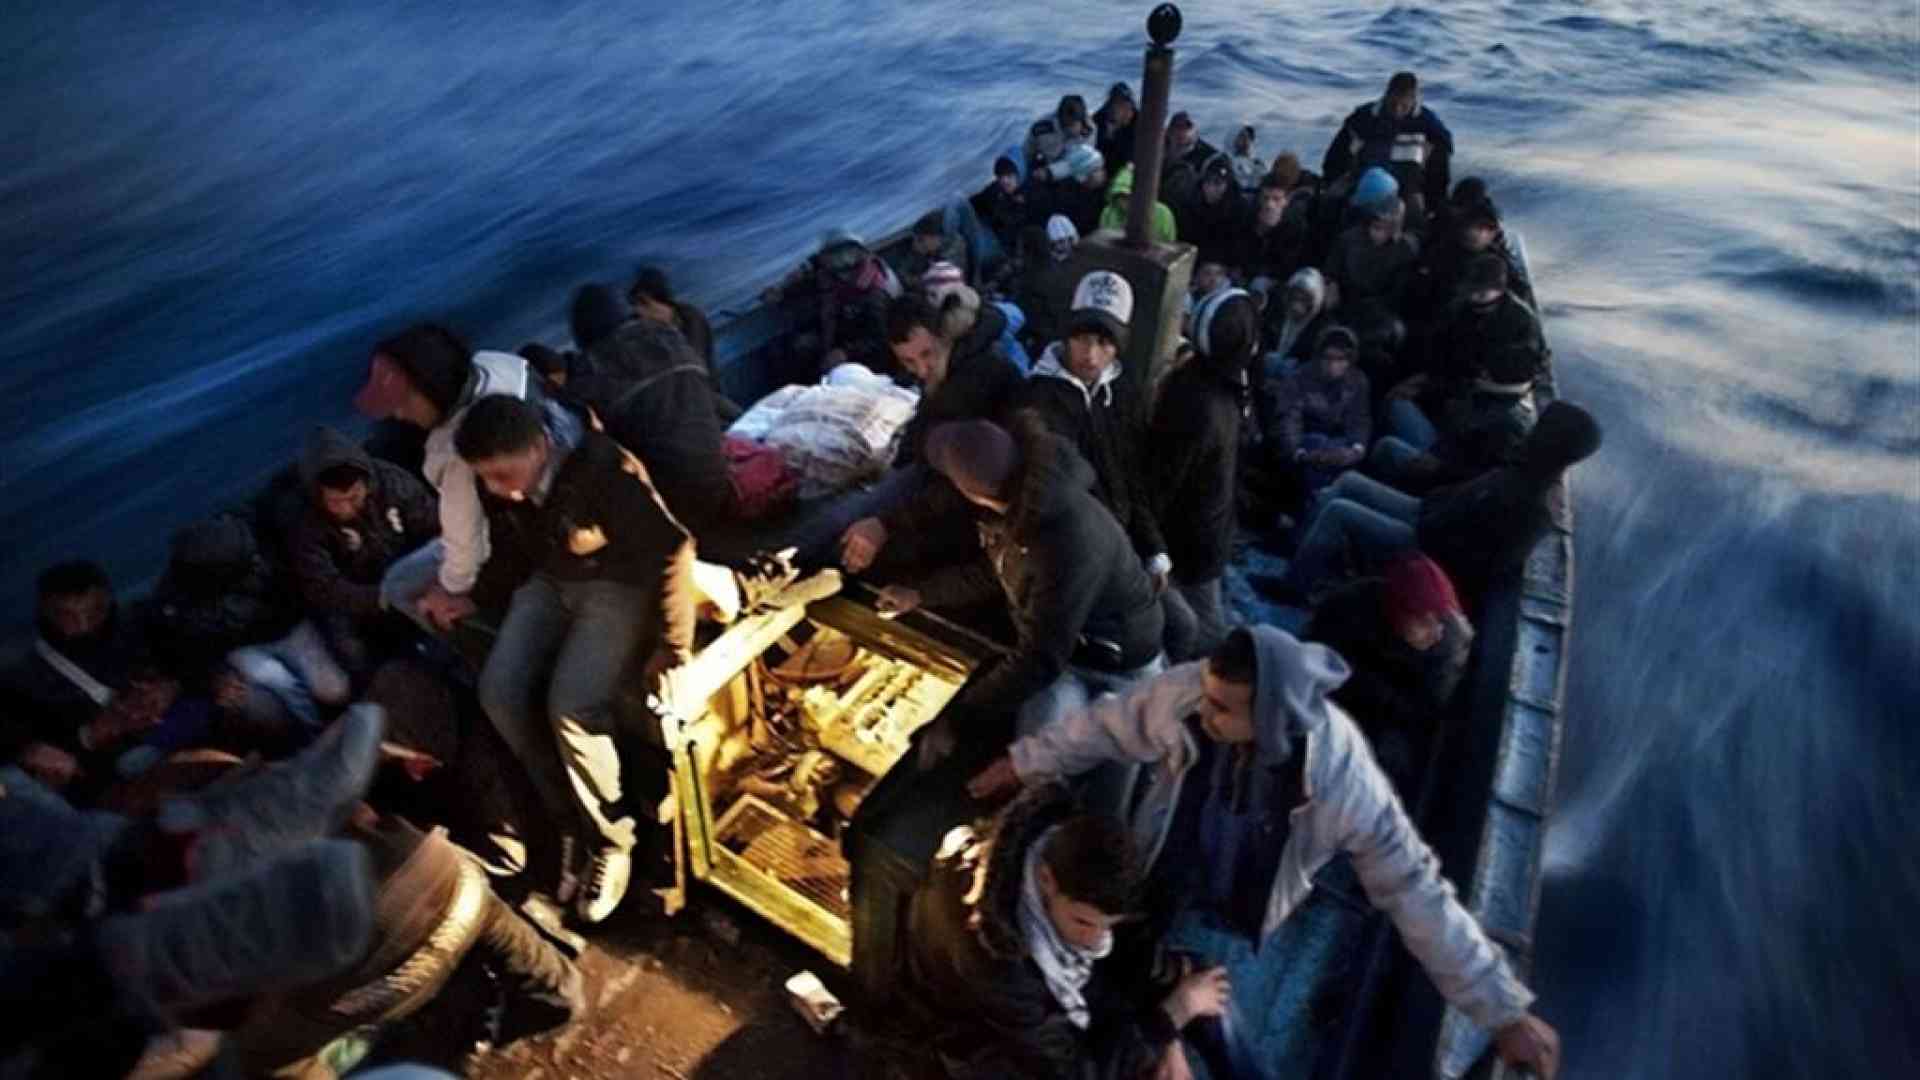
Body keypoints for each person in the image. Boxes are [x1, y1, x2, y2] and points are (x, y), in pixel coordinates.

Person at [968, 626, 1563, 1080]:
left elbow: (1414, 889)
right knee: (1144, 979)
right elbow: (1108, 725)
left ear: (1272, 716)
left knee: (1214, 1008)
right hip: (1164, 871)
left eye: (1222, 709)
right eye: (1206, 699)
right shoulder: (1194, 692)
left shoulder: (1344, 780)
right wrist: (1023, 762)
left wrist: (1501, 1010)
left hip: (1241, 900)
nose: (1203, 712)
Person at [455, 394, 697, 923]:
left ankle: (612, 840)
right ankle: (568, 821)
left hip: (616, 588)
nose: (497, 490)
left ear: (540, 445)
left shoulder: (608, 471)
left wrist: (673, 643)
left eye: (504, 475)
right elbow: (512, 547)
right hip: (551, 583)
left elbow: (674, 548)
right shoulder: (505, 483)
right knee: (498, 691)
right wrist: (474, 596)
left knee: (572, 706)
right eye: (486, 478)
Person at [873, 416, 1164, 747]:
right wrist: (919, 594)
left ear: (971, 493)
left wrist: (955, 716)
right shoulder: (1021, 507)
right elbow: (999, 571)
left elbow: (1039, 658)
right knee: (1039, 750)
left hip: (1118, 661)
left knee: (1111, 757)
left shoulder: (1062, 542)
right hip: (1067, 648)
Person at [904, 786, 1218, 1080]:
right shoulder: (996, 962)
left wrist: (1169, 1032)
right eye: (1084, 923)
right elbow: (1073, 1070)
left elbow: (1131, 949)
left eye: (1109, 926)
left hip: (1060, 1014)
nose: (1097, 941)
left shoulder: (1070, 858)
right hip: (984, 1052)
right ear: (1046, 879)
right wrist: (1173, 1014)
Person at [1279, 400, 1602, 603]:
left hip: (1426, 546)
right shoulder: (1524, 466)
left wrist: (1430, 532)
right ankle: (1302, 548)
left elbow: (1486, 564)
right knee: (1350, 482)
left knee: (1339, 511)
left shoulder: (1533, 507)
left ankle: (1294, 588)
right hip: (1426, 513)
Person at [352, 323, 546, 634]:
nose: (398, 414)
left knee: (397, 586)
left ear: (433, 388)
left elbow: (466, 548)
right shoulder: (499, 365)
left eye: (403, 402)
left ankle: (472, 643)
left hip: (515, 549)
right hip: (537, 522)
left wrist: (449, 590)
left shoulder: (458, 454)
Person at [143, 515, 350, 746]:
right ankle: (316, 735)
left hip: (290, 627)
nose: (254, 561)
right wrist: (212, 677)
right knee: (278, 680)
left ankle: (348, 713)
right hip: (241, 647)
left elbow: (305, 589)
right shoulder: (175, 605)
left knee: (334, 689)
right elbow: (179, 653)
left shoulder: (260, 545)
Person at [1021, 271, 1170, 582]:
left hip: (1124, 543)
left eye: (1103, 342)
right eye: (1082, 339)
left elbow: (1132, 475)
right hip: (1078, 552)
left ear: (1118, 346)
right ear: (1067, 337)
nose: (1090, 355)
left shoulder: (1122, 392)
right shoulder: (1038, 399)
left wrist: (1154, 548)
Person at [3, 562, 188, 799]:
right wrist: (91, 735)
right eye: (68, 616)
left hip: (184, 741)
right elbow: (35, 755)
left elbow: (189, 661)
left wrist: (171, 686)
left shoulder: (140, 623)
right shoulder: (23, 679)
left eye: (95, 611)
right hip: (119, 783)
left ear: (109, 601)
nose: (84, 625)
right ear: (45, 612)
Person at [1302, 553, 1473, 790]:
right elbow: (1315, 656)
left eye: (1439, 620)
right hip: (1342, 693)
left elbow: (1426, 711)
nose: (1436, 633)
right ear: (1399, 613)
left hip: (1391, 718)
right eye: (1423, 621)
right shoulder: (1349, 606)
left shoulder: (1447, 646)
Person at [1149, 287, 1256, 662]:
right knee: (1205, 635)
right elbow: (1164, 480)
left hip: (1204, 530)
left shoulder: (1205, 383)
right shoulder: (1204, 400)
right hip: (1194, 540)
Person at [288, 426, 439, 684]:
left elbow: (432, 527)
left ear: (366, 485)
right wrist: (385, 596)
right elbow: (324, 588)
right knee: (354, 652)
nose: (347, 508)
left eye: (354, 497)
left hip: (409, 574)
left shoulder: (393, 484)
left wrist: (425, 580)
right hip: (358, 599)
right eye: (336, 502)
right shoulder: (304, 523)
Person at [1370, 339, 1540, 494]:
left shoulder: (1509, 426)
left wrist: (1438, 468)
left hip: (1442, 472)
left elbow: (1481, 476)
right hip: (1445, 445)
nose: (1482, 373)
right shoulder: (1494, 394)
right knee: (1397, 403)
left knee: (1387, 448)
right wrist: (1422, 388)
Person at [1259, 325, 1372, 499]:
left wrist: (1357, 449)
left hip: (1339, 446)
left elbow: (1359, 419)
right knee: (1317, 444)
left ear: (1350, 359)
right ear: (1319, 357)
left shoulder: (1358, 381)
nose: (1333, 365)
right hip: (1305, 445)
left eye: (1340, 359)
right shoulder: (1298, 379)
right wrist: (1298, 452)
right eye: (1328, 358)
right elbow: (1289, 420)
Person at [1322, 71, 1455, 216]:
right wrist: (1332, 180)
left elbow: (1443, 151)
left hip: (1408, 182)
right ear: (1387, 95)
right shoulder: (1365, 116)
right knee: (1331, 202)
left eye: (1404, 106)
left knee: (1416, 211)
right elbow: (1338, 153)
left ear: (1413, 100)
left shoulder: (1426, 121)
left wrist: (1434, 196)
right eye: (1393, 104)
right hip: (1366, 177)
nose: (1397, 110)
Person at [627, 265, 716, 375]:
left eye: (644, 303)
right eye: (634, 303)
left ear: (665, 303)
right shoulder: (636, 325)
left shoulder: (692, 320)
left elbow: (692, 366)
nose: (639, 311)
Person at [1177, 155, 1248, 273]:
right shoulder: (1191, 204)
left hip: (1225, 268)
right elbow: (1184, 241)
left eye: (1217, 183)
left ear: (1227, 185)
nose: (1211, 188)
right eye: (1207, 182)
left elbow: (1238, 247)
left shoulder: (1238, 210)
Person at [1264, 266, 1332, 367]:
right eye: (1294, 296)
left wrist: (1300, 366)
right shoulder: (1275, 315)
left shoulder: (1323, 327)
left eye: (1305, 298)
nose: (1297, 304)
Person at [894, 210, 971, 294]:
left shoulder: (953, 250)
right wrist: (917, 254)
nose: (916, 244)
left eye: (921, 239)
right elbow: (902, 273)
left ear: (934, 237)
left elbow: (937, 281)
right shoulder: (930, 249)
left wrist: (914, 279)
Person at [1098, 163, 1177, 245]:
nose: (1125, 202)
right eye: (1121, 196)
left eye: (1130, 196)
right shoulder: (1108, 213)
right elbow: (1103, 241)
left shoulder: (1163, 213)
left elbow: (1170, 243)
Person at [969, 155, 1029, 261]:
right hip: (992, 233)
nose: (1005, 181)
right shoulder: (994, 191)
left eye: (1009, 176)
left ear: (1016, 176)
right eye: (1001, 177)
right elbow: (974, 202)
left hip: (1008, 246)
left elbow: (1012, 221)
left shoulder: (1028, 193)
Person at [1159, 111, 1218, 208]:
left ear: (1195, 132)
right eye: (1178, 127)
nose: (1182, 132)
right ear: (1169, 131)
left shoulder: (1207, 157)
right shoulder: (1157, 149)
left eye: (1187, 128)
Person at [1092, 81, 1138, 172]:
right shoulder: (1099, 119)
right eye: (1116, 103)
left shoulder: (1139, 122)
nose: (1118, 108)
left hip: (1129, 167)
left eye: (1124, 104)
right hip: (1103, 166)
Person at [1228, 125, 1267, 192]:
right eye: (1242, 136)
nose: (1246, 139)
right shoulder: (1228, 161)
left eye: (1249, 137)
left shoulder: (1258, 163)